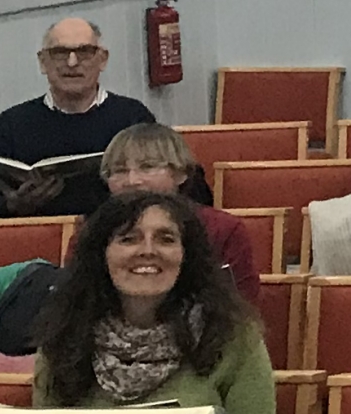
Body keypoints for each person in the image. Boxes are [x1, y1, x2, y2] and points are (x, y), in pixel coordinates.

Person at [32, 191, 275, 414]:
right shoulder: (63, 339)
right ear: (101, 255)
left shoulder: (234, 337)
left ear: (186, 255)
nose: (148, 251)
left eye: (165, 239)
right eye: (129, 239)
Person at [0, 18, 155, 220]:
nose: (72, 63)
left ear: (102, 59)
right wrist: (15, 205)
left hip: (116, 233)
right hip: (38, 240)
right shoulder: (11, 124)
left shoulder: (133, 117)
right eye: (60, 53)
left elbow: (165, 192)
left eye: (84, 52)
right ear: (43, 62)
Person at [101, 124, 260, 306]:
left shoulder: (222, 229)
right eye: (120, 171)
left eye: (147, 167)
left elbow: (242, 308)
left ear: (180, 174)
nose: (132, 181)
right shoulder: (92, 231)